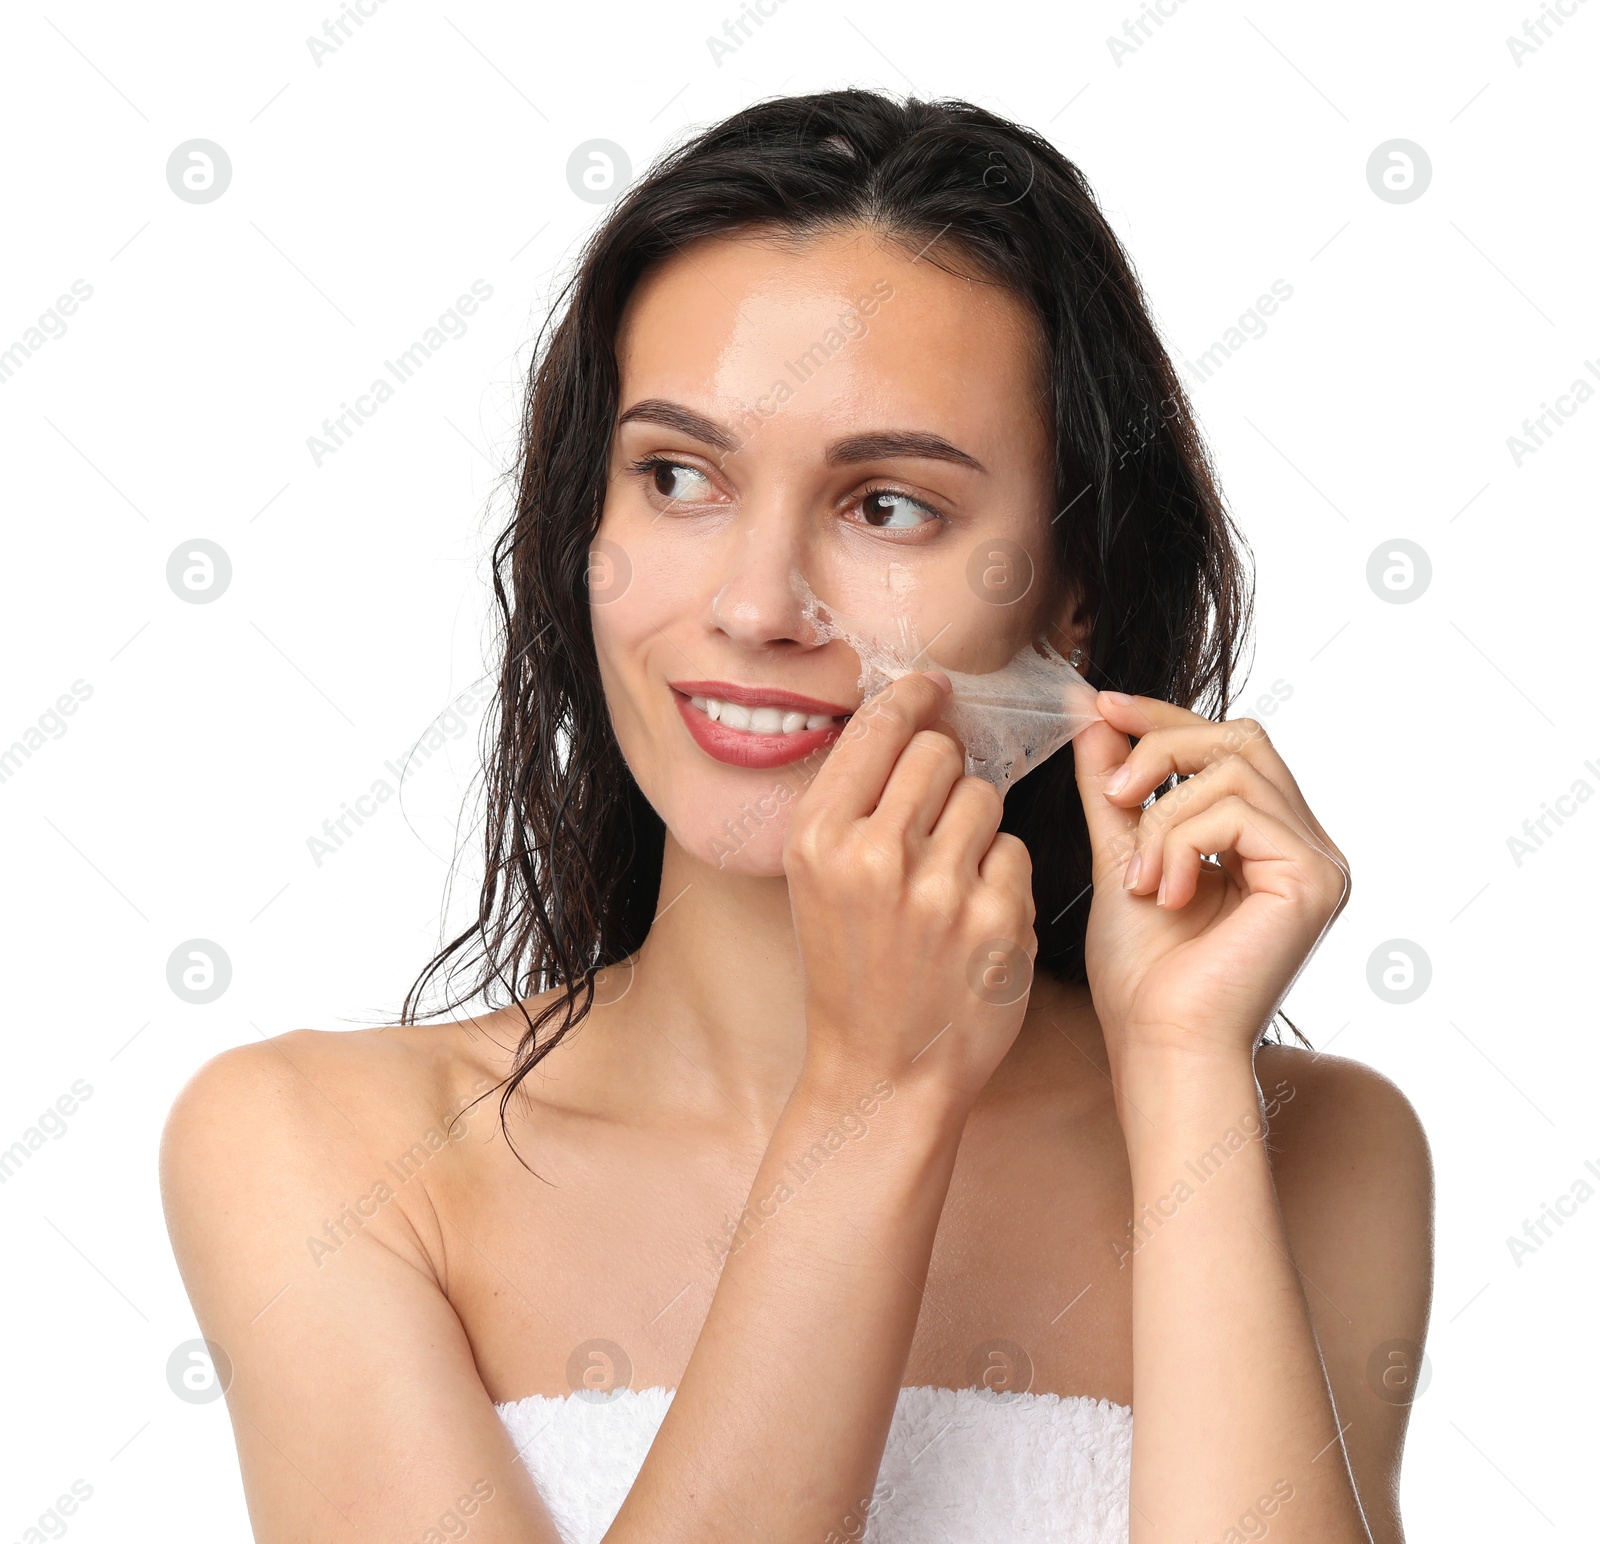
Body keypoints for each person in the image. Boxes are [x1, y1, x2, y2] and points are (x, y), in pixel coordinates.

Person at [161, 89, 1433, 1544]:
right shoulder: (322, 1151)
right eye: (676, 477)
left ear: (1075, 591)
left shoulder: (1311, 1147)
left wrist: (1182, 1069)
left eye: (888, 507)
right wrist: (877, 1099)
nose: (756, 608)